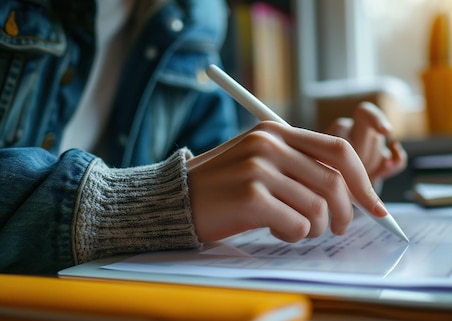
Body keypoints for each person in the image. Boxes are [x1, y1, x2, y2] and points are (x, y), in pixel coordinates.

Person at [0, 0, 407, 274]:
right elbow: (181, 193)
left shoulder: (199, 14)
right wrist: (149, 204)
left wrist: (307, 176)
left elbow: (212, 167)